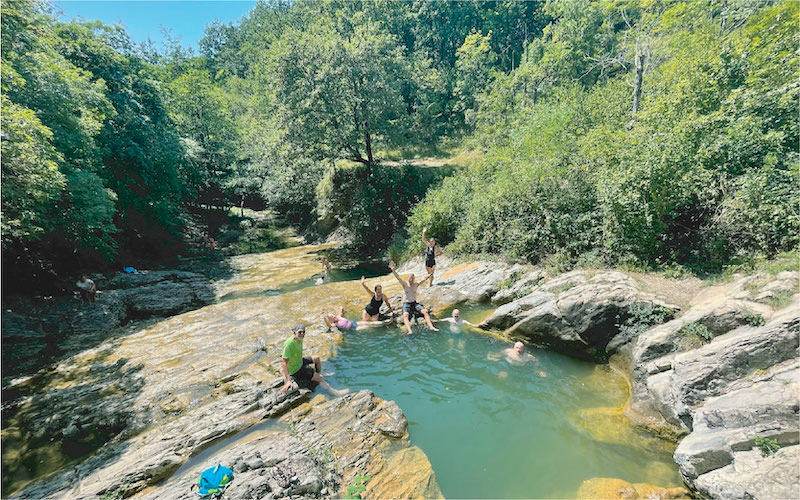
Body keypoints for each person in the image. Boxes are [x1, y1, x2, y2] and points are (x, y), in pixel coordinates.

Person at [281, 324, 348, 396]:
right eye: (300, 332)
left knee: (317, 359)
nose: (302, 334)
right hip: (296, 370)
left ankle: (317, 373)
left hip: (300, 361)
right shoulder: (289, 344)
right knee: (320, 378)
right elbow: (283, 363)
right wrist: (288, 380)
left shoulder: (299, 339)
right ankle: (335, 392)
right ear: (294, 332)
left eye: (303, 332)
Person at [389, 260, 438, 335]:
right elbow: (398, 277)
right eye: (410, 278)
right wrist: (393, 269)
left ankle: (431, 327)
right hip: (406, 304)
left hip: (414, 304)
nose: (411, 280)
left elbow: (424, 278)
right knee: (405, 315)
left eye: (412, 279)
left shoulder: (416, 284)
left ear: (414, 279)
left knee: (425, 311)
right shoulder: (404, 284)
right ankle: (410, 330)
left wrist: (432, 272)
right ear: (408, 278)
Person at [324, 306, 392, 331]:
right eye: (332, 317)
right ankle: (383, 325)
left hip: (354, 323)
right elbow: (329, 326)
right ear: (331, 320)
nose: (333, 317)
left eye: (333, 315)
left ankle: (386, 322)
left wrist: (341, 308)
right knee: (368, 327)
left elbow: (340, 311)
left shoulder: (339, 316)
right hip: (353, 329)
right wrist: (325, 320)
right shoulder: (335, 324)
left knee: (370, 323)